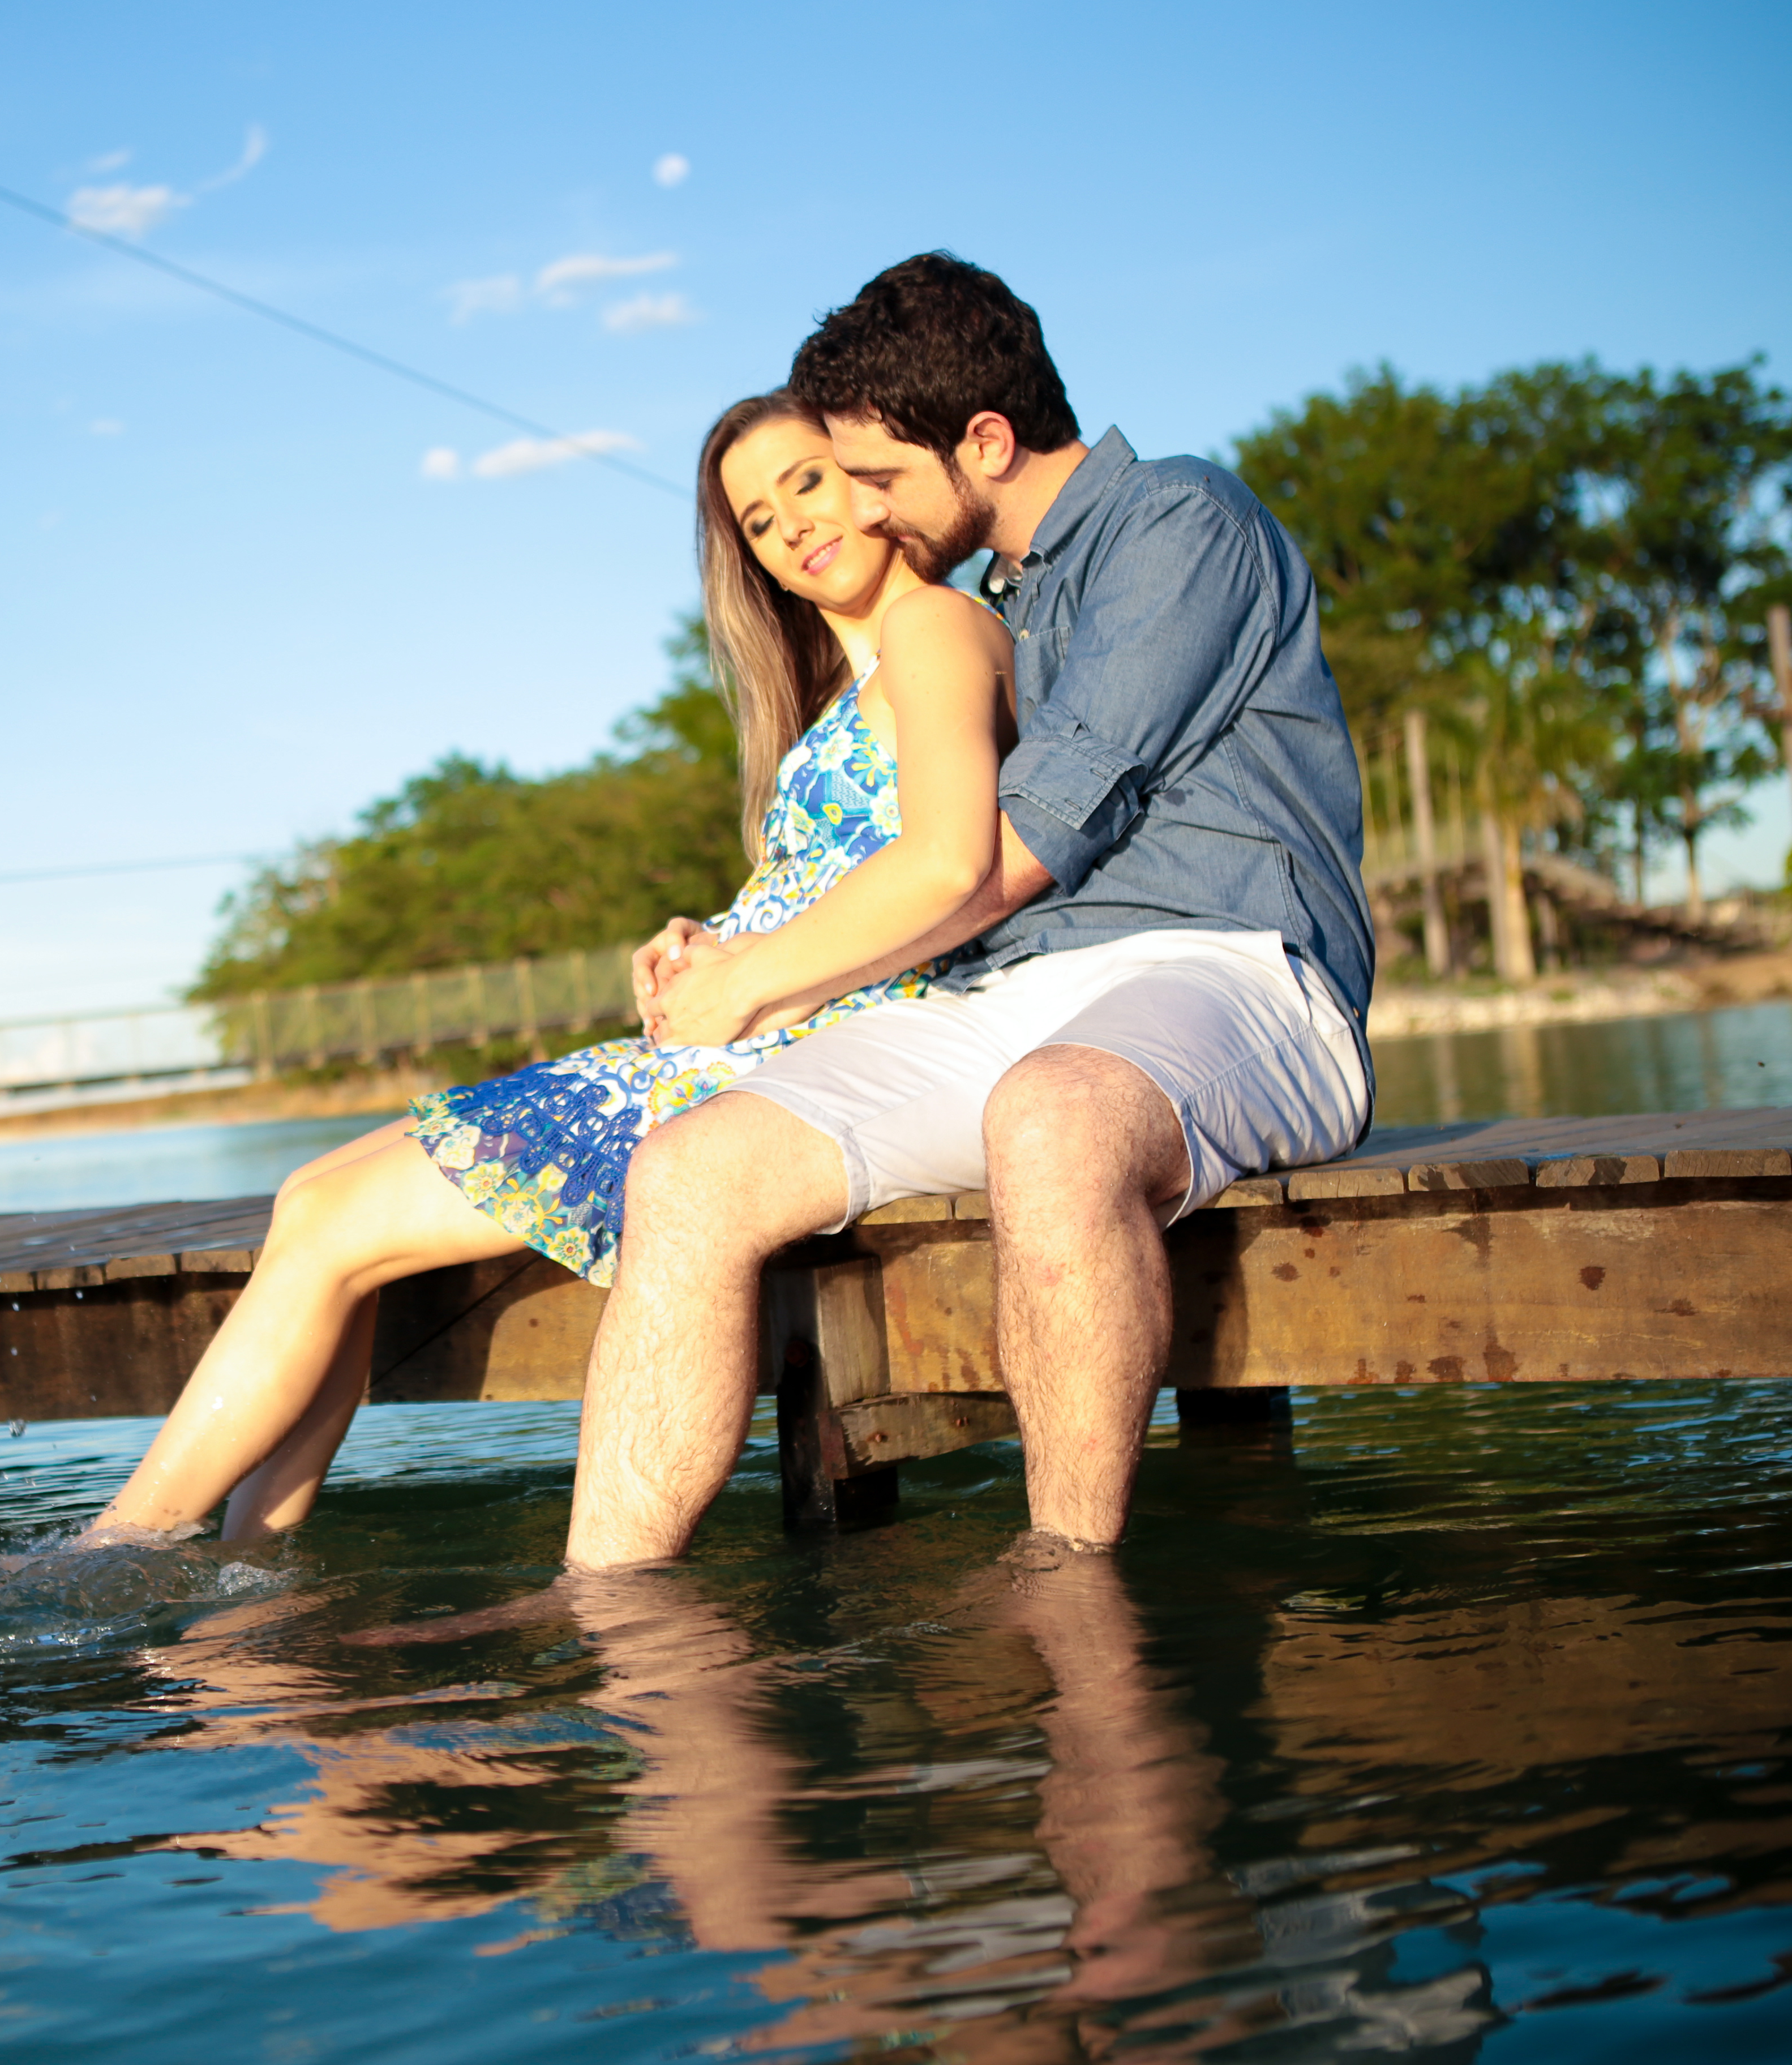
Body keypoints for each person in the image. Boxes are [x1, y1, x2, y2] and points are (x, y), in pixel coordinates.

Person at [84, 391, 1018, 1546]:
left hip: (799, 1065)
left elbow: (947, 866)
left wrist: (757, 975)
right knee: (312, 1206)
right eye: (761, 524)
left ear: (872, 477)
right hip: (734, 1038)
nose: (792, 531)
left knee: (327, 1217)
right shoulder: (835, 696)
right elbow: (836, 881)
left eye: (808, 484)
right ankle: (239, 1568)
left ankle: (118, 1555)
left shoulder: (937, 629)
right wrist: (711, 940)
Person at [567, 252, 1374, 1570]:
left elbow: (1008, 853)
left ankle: (1069, 1584)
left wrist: (765, 978)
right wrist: (733, 953)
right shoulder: (994, 604)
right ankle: (608, 1614)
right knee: (693, 1171)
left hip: (1239, 973)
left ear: (984, 441)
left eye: (879, 478)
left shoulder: (1180, 523)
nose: (868, 514)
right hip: (1018, 1000)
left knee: (1051, 1114)